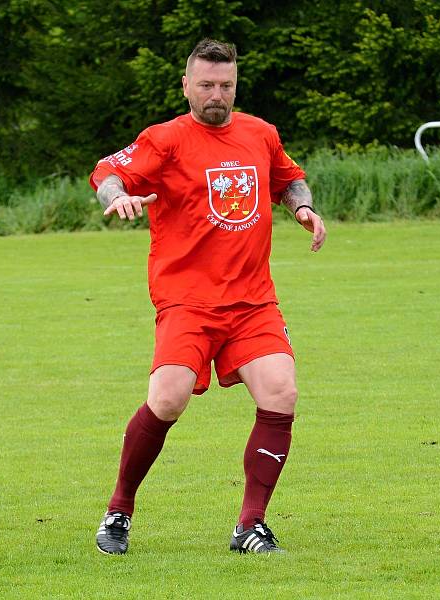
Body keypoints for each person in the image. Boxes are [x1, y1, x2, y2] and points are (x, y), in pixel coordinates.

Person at [89, 38, 326, 555]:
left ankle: (251, 525)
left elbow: (290, 177)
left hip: (252, 299)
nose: (217, 94)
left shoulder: (259, 133)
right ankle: (119, 509)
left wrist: (302, 207)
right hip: (187, 299)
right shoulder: (165, 139)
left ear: (235, 85)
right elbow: (106, 171)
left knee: (281, 392)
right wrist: (120, 195)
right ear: (186, 86)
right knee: (167, 399)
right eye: (207, 86)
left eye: (226, 85)